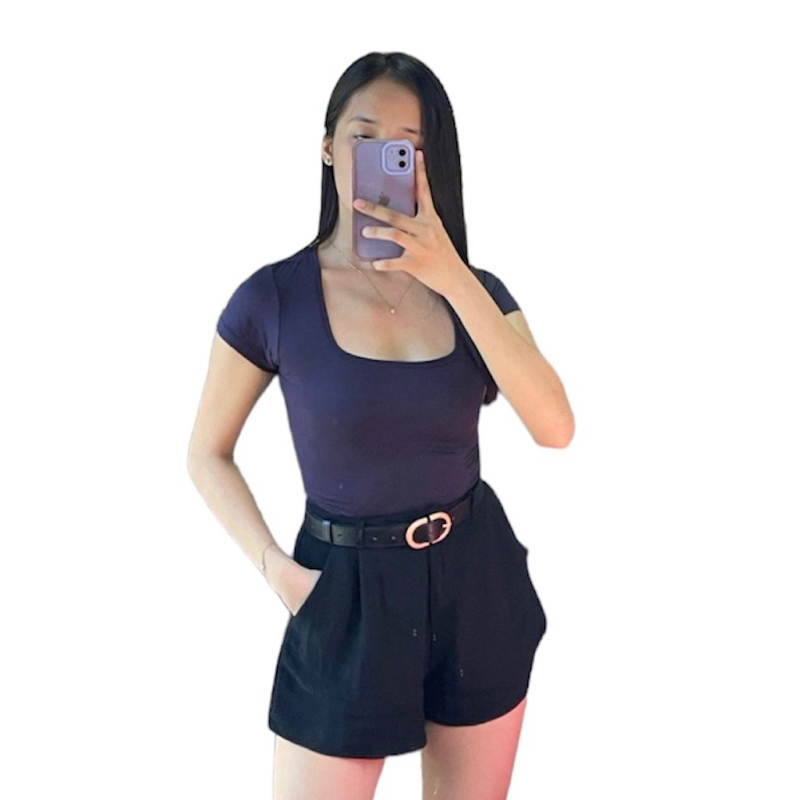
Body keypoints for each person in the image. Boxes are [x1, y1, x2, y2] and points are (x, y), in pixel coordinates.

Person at [187, 51, 574, 800]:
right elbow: (206, 452)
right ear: (328, 148)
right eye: (364, 137)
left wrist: (449, 273)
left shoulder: (475, 291)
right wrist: (276, 569)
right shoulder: (273, 298)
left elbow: (555, 426)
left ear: (430, 164)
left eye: (407, 146)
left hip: (474, 578)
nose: (382, 160)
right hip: (343, 590)